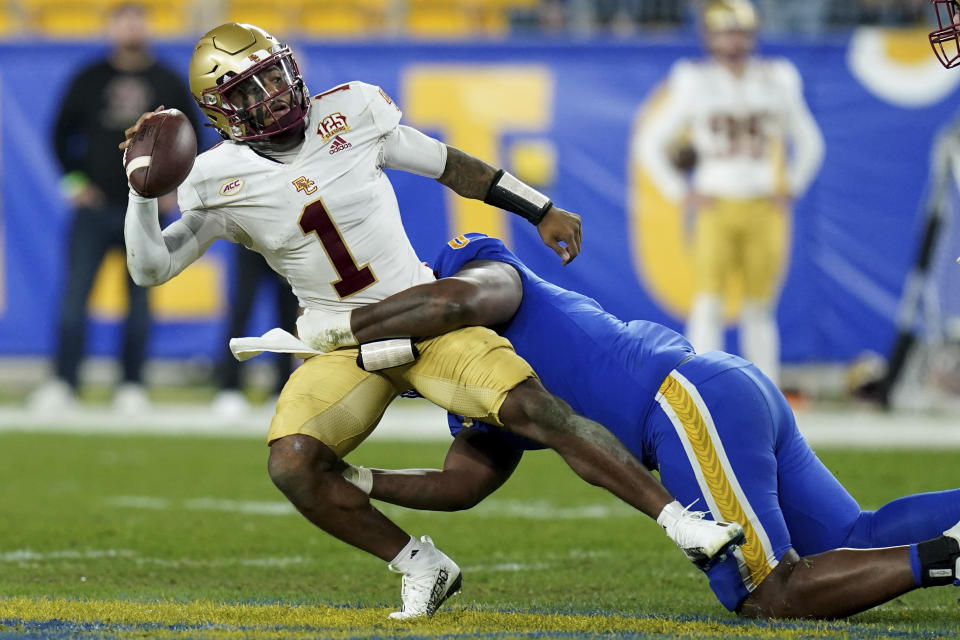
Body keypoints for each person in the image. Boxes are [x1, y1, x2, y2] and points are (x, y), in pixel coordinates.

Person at [121, 23, 744, 619]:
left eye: (276, 74)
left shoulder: (353, 110)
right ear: (223, 112)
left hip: (420, 317)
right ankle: (419, 564)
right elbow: (152, 269)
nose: (276, 93)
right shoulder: (214, 177)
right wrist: (140, 198)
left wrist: (540, 208)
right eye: (251, 90)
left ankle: (682, 523)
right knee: (292, 464)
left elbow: (449, 164)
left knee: (536, 410)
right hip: (339, 343)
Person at [322, 232, 960, 619]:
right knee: (850, 537)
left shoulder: (468, 273)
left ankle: (949, 557)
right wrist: (355, 478)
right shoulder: (468, 386)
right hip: (714, 389)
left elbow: (456, 302)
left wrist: (351, 330)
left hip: (681, 402)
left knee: (770, 594)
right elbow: (459, 485)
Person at [639, 0, 824, 386]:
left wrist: (791, 184)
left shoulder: (777, 77)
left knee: (760, 308)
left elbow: (810, 141)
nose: (733, 41)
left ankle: (766, 393)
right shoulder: (694, 79)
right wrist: (679, 191)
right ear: (709, 36)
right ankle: (702, 388)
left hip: (762, 204)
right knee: (708, 303)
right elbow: (650, 141)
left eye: (739, 32)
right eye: (726, 32)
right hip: (716, 204)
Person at [29, 2, 201, 414]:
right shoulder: (89, 78)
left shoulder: (167, 80)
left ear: (148, 27)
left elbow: (194, 138)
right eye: (123, 21)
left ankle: (132, 385)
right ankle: (64, 384)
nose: (130, 28)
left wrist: (172, 190)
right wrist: (73, 182)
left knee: (139, 300)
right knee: (74, 299)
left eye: (137, 20)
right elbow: (58, 135)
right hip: (94, 208)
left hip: (143, 211)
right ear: (111, 28)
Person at [211, 247, 300, 417]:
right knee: (241, 310)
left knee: (287, 317)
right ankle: (229, 386)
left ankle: (282, 387)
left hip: (284, 245)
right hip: (252, 239)